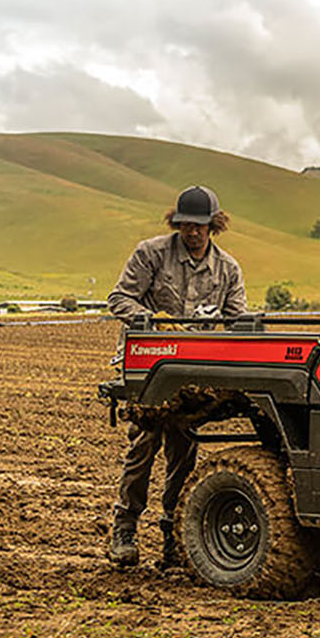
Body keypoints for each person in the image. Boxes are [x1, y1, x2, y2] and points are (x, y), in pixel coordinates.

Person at [105, 185, 246, 567]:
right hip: (149, 365)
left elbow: (238, 322)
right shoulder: (151, 254)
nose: (193, 232)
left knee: (184, 451)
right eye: (186, 225)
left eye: (200, 226)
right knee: (143, 445)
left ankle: (172, 532)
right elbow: (119, 298)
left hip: (193, 371)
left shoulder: (227, 270)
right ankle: (125, 527)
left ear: (214, 225)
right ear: (177, 223)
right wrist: (149, 320)